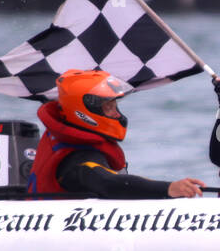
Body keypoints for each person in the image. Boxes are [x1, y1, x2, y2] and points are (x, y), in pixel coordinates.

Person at [29, 69, 204, 198]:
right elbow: (106, 182)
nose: (116, 114)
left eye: (114, 105)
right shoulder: (75, 159)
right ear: (83, 111)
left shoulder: (75, 139)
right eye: (108, 107)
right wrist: (169, 188)